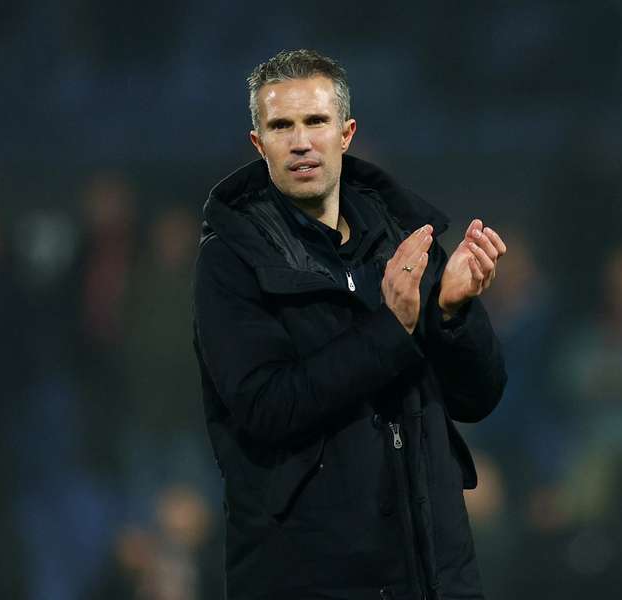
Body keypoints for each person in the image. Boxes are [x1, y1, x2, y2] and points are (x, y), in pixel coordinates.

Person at [192, 49, 507, 600]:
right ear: (257, 142)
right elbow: (268, 407)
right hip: (306, 573)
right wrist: (392, 330)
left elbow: (478, 398)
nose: (300, 141)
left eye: (315, 121)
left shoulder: (406, 236)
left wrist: (454, 313)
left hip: (432, 569)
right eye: (280, 125)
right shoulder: (231, 261)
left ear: (346, 132)